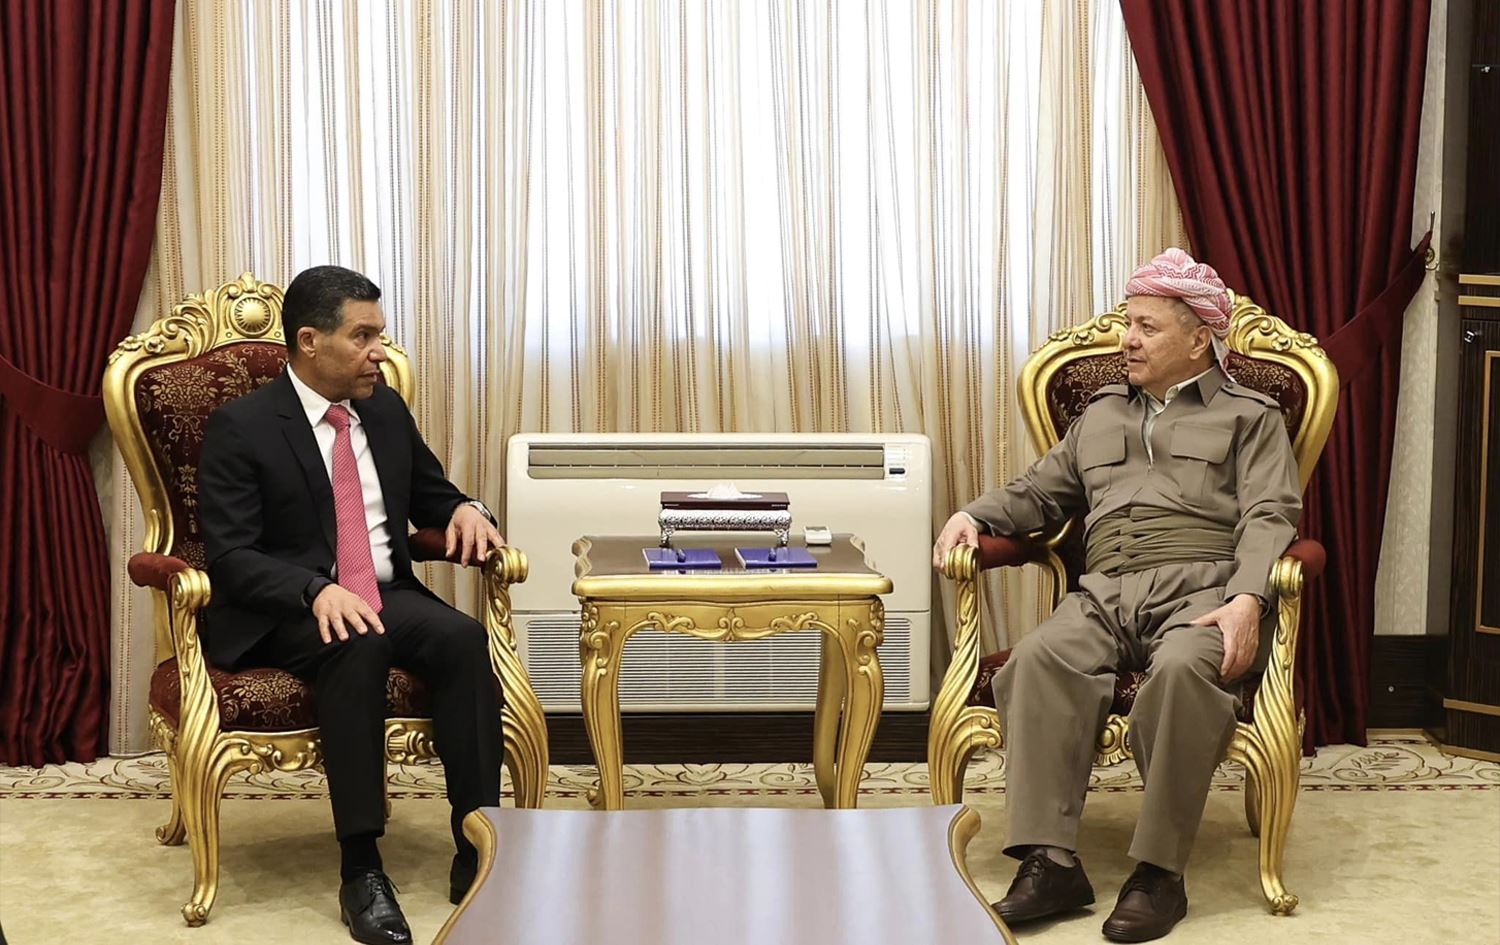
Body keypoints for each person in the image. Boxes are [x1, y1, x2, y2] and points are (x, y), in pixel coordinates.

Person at [932, 248, 1300, 942]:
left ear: (1199, 339)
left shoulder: (1251, 416)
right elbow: (1039, 493)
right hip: (1101, 593)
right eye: (1129, 323)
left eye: (1146, 327)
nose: (1126, 339)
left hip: (1202, 590)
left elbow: (1270, 514)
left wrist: (1248, 599)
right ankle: (1050, 862)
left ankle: (1159, 873)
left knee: (1182, 671)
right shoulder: (1101, 413)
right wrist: (973, 516)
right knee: (1038, 660)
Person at [198, 265, 505, 945]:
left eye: (380, 334)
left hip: (384, 593)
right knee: (355, 642)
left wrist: (467, 510)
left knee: (462, 639)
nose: (379, 351)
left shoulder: (384, 409)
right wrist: (314, 589)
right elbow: (231, 556)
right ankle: (362, 868)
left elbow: (434, 496)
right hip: (290, 609)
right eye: (362, 336)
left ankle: (477, 845)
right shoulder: (243, 427)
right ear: (310, 341)